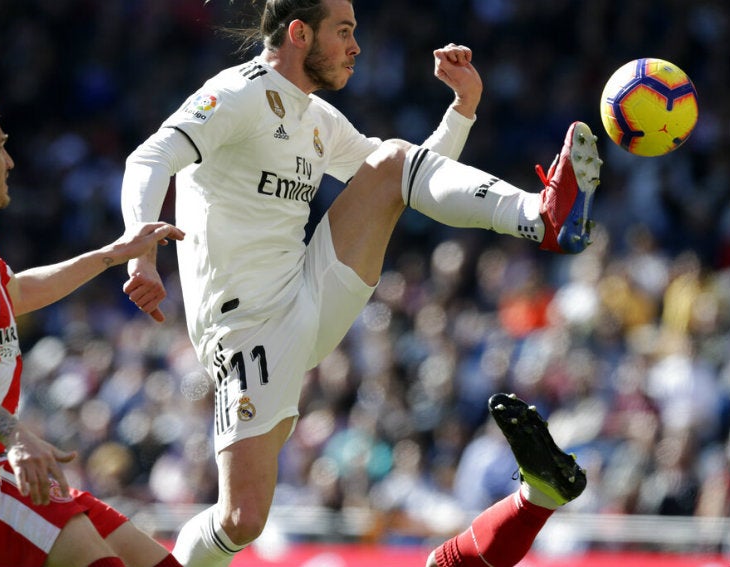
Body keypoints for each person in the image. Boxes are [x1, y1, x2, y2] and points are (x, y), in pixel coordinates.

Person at [119, 1, 599, 566]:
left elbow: (411, 179)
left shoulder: (315, 117)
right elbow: (149, 157)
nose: (356, 47)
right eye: (343, 32)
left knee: (391, 163)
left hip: (308, 291)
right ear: (299, 33)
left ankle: (542, 217)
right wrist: (139, 250)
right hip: (246, 327)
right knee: (241, 519)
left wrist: (461, 111)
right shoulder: (237, 93)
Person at [0, 90, 186, 567]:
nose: (9, 162)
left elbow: (18, 293)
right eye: (0, 146)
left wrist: (114, 253)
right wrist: (16, 435)